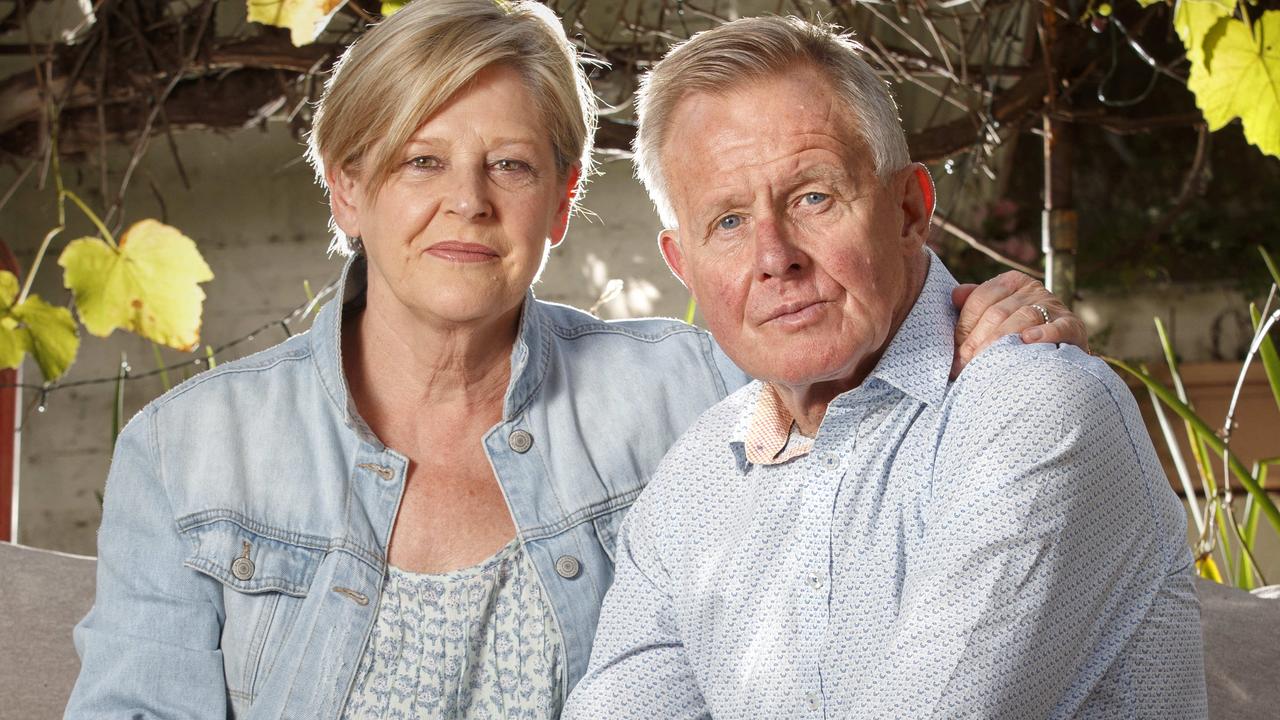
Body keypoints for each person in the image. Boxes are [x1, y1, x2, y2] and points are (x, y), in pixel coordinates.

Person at [65, 1, 1085, 717]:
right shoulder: (186, 454)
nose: (466, 201)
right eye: (422, 160)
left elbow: (859, 373)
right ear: (346, 190)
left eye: (509, 164)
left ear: (559, 201)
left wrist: (966, 319)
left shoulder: (689, 390)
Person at [565, 15, 1206, 720]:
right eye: (728, 222)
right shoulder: (691, 485)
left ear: (909, 211)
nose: (775, 256)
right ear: (684, 265)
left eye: (812, 197)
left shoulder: (1033, 408)